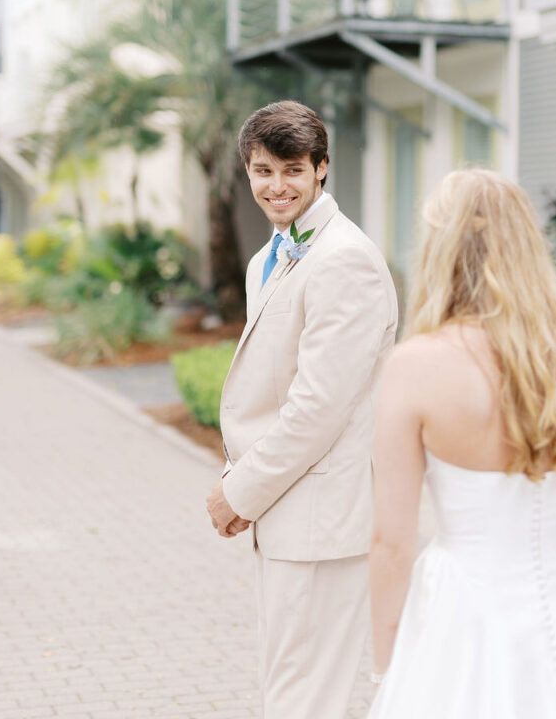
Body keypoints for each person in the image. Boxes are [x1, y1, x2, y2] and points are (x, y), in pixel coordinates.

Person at [368, 168, 556, 719]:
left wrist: (390, 670)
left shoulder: (415, 367)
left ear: (440, 250)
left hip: (464, 624)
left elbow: (392, 543)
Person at [205, 100, 398, 719]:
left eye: (292, 169)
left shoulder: (345, 260)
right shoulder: (270, 256)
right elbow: (269, 389)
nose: (277, 186)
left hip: (322, 520)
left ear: (321, 168)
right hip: (288, 514)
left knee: (305, 697)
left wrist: (239, 492)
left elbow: (318, 408)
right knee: (291, 688)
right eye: (263, 171)